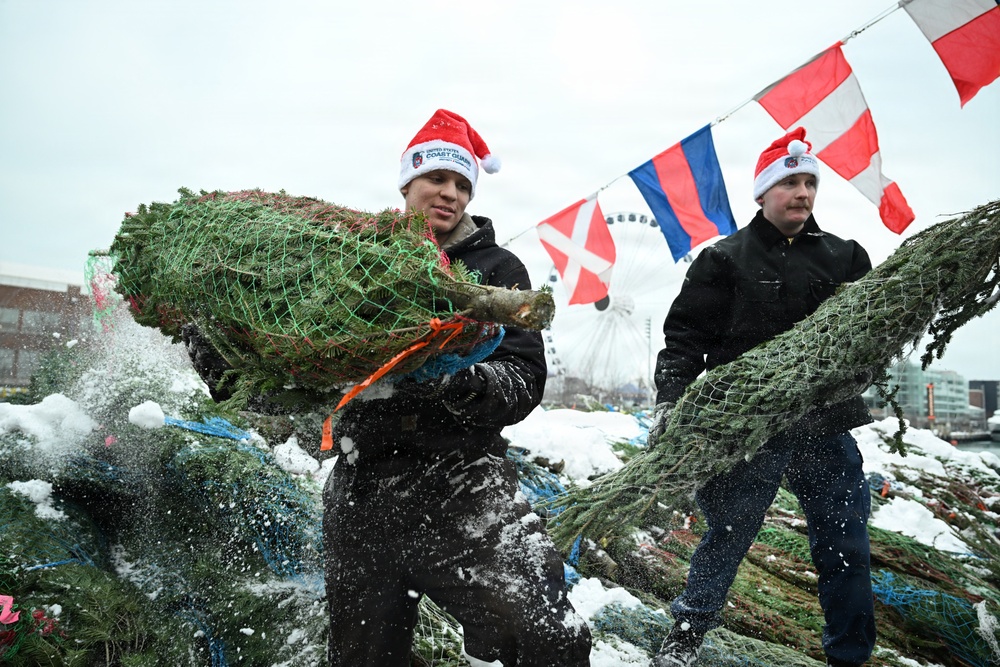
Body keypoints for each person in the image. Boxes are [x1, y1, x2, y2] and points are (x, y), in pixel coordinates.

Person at [320, 110, 592, 666]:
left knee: (549, 635)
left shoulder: (497, 270)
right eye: (436, 180)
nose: (449, 194)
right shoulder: (354, 265)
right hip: (362, 488)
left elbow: (522, 378)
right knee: (364, 657)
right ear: (407, 184)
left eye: (462, 185)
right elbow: (295, 369)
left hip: (462, 483)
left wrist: (462, 380)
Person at [649, 127, 876, 667]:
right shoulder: (723, 259)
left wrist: (850, 379)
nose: (802, 193)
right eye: (790, 183)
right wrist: (670, 402)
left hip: (823, 429)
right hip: (746, 432)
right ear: (762, 192)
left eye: (809, 183)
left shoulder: (846, 258)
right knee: (725, 540)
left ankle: (851, 655)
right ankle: (682, 644)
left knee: (845, 546)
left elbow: (872, 340)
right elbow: (685, 340)